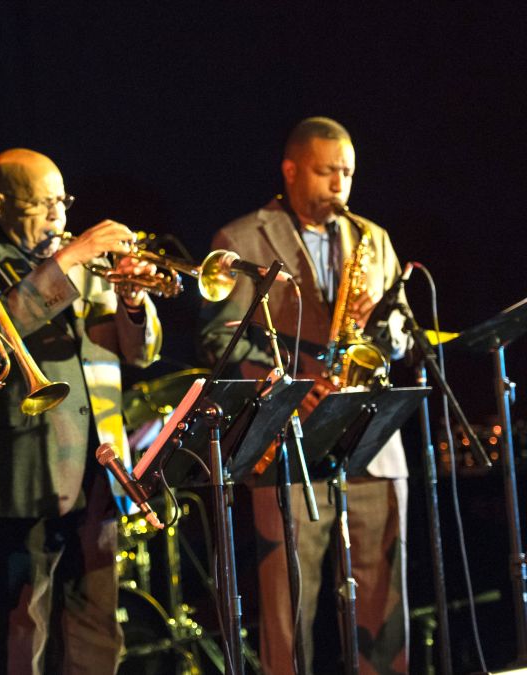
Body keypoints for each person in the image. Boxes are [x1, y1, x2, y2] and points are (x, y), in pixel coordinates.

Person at [198, 117, 409, 674]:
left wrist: (386, 333)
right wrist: (290, 379)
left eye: (347, 173)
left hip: (369, 434)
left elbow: (403, 330)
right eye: (326, 171)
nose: (339, 184)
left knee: (386, 601)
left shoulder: (373, 238)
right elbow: (219, 335)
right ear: (291, 170)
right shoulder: (241, 239)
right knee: (288, 608)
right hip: (290, 442)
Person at [0, 148, 162, 674]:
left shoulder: (89, 267)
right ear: (4, 205)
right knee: (21, 631)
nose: (59, 215)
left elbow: (139, 353)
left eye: (63, 201)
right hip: (24, 471)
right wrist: (69, 259)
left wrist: (133, 301)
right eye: (43, 203)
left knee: (98, 627)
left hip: (100, 470)